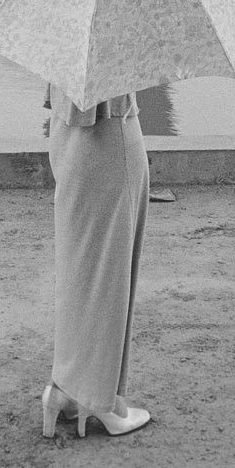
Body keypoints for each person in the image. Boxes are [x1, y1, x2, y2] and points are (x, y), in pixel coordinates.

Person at [41, 82, 152, 438]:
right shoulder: (115, 40)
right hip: (109, 136)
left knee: (80, 273)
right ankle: (99, 399)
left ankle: (67, 386)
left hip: (68, 137)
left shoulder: (63, 33)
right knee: (109, 276)